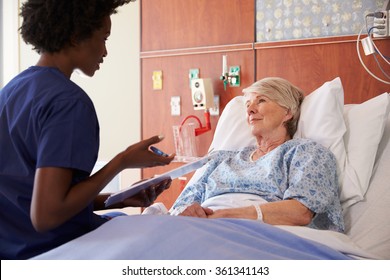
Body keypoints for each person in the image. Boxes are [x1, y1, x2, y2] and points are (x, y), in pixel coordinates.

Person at [0, 0, 174, 260]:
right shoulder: (68, 103)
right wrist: (122, 161)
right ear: (74, 36)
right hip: (50, 250)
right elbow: (46, 215)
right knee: (173, 235)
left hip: (13, 250)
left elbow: (29, 200)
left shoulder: (12, 91)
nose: (105, 51)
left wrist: (119, 198)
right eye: (104, 38)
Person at [170, 77, 344, 233]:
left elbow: (301, 212)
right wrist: (187, 212)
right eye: (247, 105)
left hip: (258, 233)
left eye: (261, 101)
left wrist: (226, 216)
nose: (250, 110)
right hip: (200, 229)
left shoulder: (306, 152)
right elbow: (179, 208)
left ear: (288, 112)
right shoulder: (221, 159)